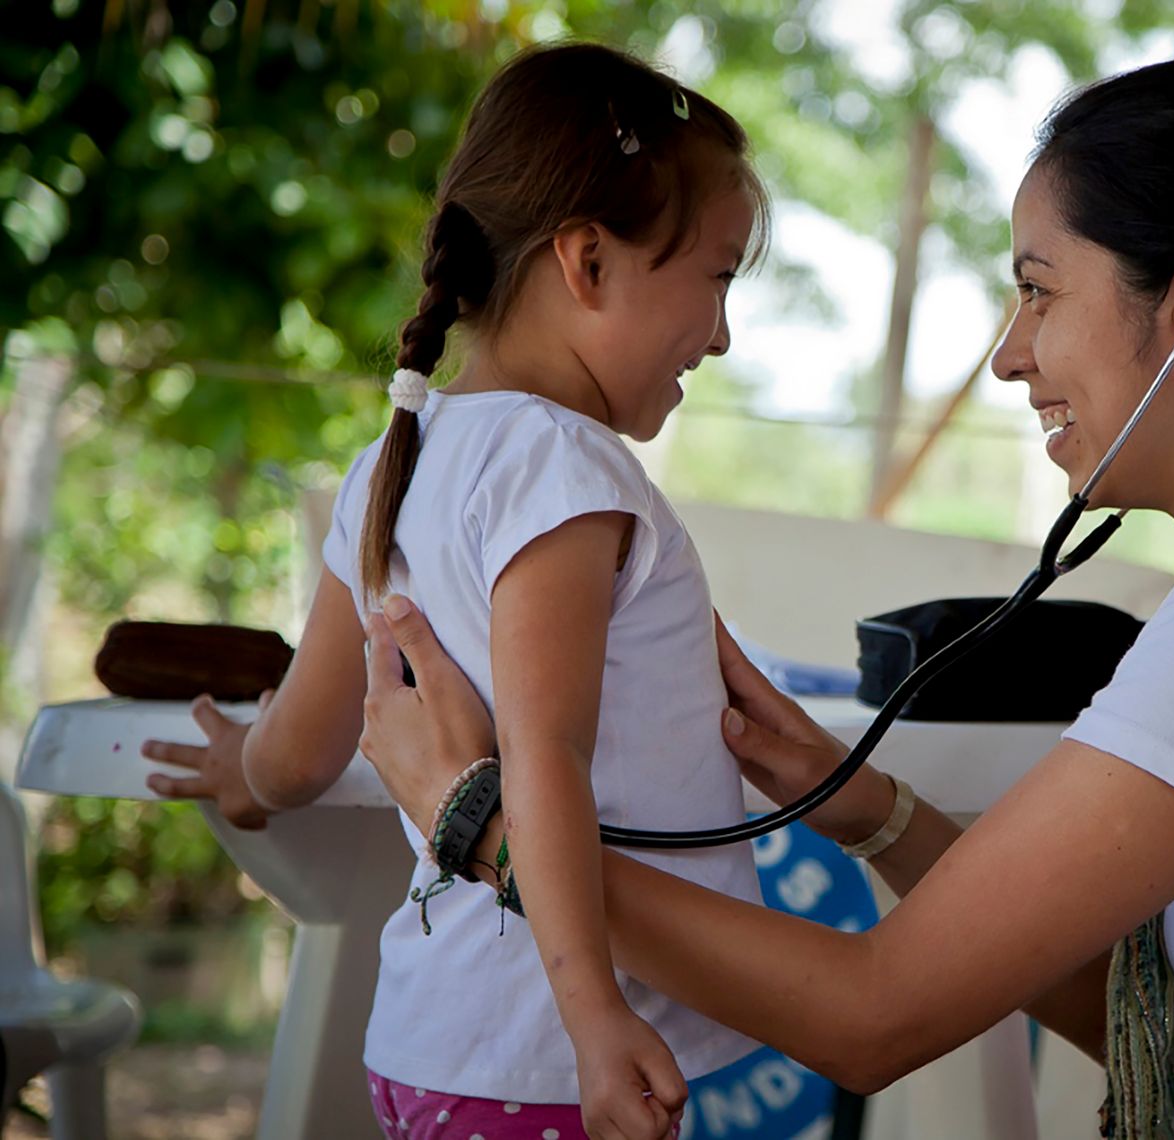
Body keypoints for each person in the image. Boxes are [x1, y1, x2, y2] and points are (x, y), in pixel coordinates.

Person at [175, 56, 1174, 1138]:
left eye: (1037, 289)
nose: (1006, 353)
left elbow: (871, 1018)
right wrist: (878, 816)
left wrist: (482, 829)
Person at [143, 42, 771, 1140]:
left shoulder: (400, 456)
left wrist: (238, 775)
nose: (721, 333)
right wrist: (593, 1020)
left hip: (432, 1044)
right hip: (548, 1057)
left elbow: (297, 752)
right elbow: (545, 758)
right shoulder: (563, 469)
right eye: (715, 278)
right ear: (586, 261)